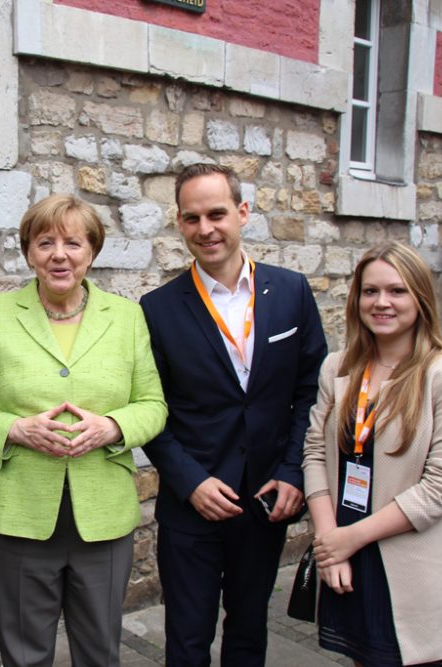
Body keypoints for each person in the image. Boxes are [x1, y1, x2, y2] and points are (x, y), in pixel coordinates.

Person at [0, 194, 168, 666]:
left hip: (101, 514)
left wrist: (113, 425)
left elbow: (153, 405)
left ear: (91, 251)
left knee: (99, 652)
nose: (60, 254)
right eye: (45, 242)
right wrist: (15, 428)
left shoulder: (126, 317)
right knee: (24, 652)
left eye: (73, 243)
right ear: (28, 251)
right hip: (17, 511)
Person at [140, 163, 327, 666]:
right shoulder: (156, 309)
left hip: (266, 500)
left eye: (217, 213)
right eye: (192, 218)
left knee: (249, 632)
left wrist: (293, 472)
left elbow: (312, 392)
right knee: (187, 638)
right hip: (193, 503)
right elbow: (148, 409)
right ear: (179, 224)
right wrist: (190, 482)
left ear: (243, 213)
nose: (207, 229)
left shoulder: (291, 291)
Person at [302, 241, 442, 666]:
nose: (381, 302)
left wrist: (347, 540)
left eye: (396, 291)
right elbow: (315, 451)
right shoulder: (338, 368)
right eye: (370, 291)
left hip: (411, 557)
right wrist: (328, 539)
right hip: (346, 551)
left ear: (420, 298)